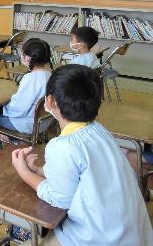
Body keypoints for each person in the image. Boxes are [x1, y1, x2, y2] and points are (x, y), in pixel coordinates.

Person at [11, 65, 153, 246]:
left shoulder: (62, 146)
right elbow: (80, 173)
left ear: (50, 101)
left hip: (98, 237)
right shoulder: (99, 130)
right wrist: (38, 170)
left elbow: (59, 198)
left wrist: (24, 173)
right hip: (132, 233)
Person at [0, 39, 52, 152]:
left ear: (28, 58)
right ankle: (13, 138)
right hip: (44, 121)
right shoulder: (50, 74)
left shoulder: (31, 78)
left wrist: (2, 108)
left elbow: (18, 109)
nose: (21, 56)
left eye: (22, 54)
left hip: (27, 123)